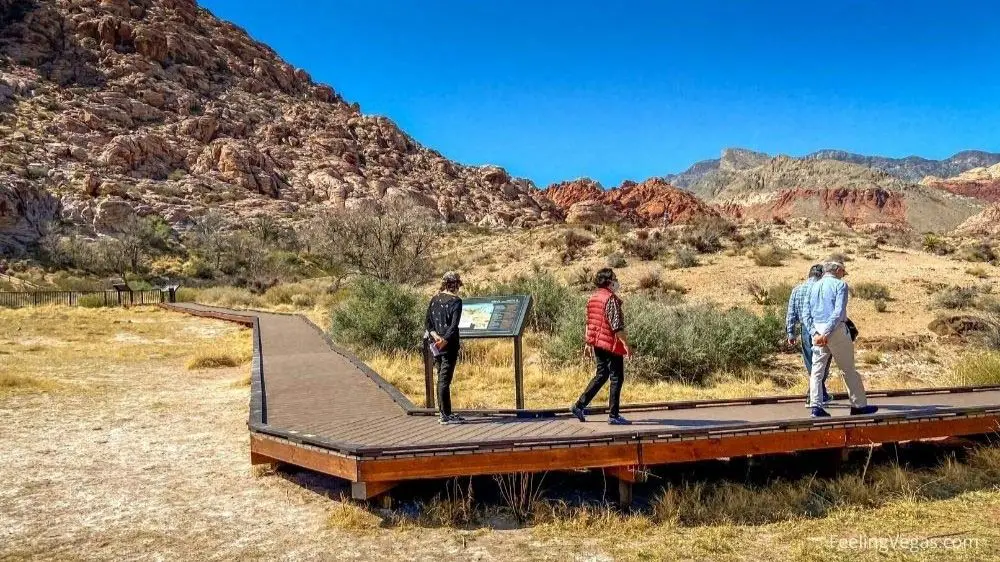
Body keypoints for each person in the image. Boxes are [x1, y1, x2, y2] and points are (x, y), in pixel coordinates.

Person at [802, 258, 879, 418]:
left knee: (817, 371)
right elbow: (838, 313)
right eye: (843, 271)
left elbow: (806, 314)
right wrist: (827, 332)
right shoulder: (840, 285)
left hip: (817, 329)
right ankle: (858, 405)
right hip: (835, 330)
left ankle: (816, 407)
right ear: (837, 270)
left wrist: (815, 333)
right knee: (848, 369)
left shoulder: (813, 286)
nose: (843, 275)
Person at [570, 268, 631, 425]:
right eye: (615, 278)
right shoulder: (610, 299)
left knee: (602, 374)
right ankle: (614, 415)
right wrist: (626, 345)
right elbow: (616, 326)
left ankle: (579, 405)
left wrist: (588, 342)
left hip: (598, 342)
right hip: (611, 343)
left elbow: (589, 322)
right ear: (609, 282)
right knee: (617, 377)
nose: (617, 281)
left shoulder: (593, 298)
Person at [786, 264, 831, 407]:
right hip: (822, 328)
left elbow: (791, 313)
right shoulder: (823, 289)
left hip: (805, 329)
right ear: (822, 275)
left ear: (809, 274)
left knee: (811, 361)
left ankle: (820, 393)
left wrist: (790, 333)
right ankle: (813, 395)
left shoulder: (797, 289)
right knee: (823, 362)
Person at [425, 271, 465, 424]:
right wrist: (445, 340)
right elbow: (453, 326)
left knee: (440, 377)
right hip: (449, 346)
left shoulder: (434, 299)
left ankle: (444, 412)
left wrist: (436, 337)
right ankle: (445, 416)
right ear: (455, 285)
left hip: (435, 344)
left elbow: (428, 323)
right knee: (444, 379)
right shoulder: (456, 301)